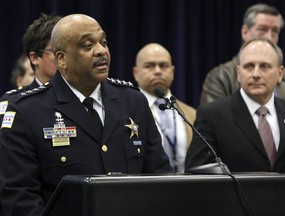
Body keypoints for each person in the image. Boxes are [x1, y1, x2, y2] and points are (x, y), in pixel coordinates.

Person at [0, 14, 172, 215]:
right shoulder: (27, 110)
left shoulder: (133, 101)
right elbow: (19, 198)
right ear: (62, 59)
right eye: (88, 45)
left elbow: (160, 180)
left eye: (104, 42)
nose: (101, 51)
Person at [185, 37, 285, 173]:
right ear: (238, 73)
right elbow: (196, 173)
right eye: (249, 67)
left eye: (264, 66)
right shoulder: (212, 116)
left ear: (280, 74)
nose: (255, 74)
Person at [200, 3, 285, 104]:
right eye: (262, 29)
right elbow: (213, 117)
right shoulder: (220, 77)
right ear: (245, 32)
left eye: (275, 31)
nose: (269, 37)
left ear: (280, 73)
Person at [133, 43, 196, 173]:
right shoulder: (127, 112)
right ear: (136, 73)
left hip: (189, 189)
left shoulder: (191, 114)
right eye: (149, 66)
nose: (157, 71)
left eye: (163, 66)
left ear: (172, 72)